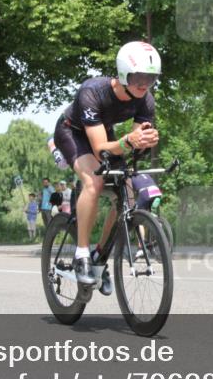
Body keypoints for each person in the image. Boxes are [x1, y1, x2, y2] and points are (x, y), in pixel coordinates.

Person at [53, 40, 161, 294]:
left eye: (151, 78)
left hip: (105, 133)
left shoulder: (146, 101)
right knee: (94, 181)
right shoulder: (92, 91)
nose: (144, 84)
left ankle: (100, 255)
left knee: (128, 193)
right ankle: (82, 255)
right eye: (138, 77)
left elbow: (134, 144)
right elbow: (101, 145)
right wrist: (127, 141)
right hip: (73, 133)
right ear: (124, 73)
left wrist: (143, 142)